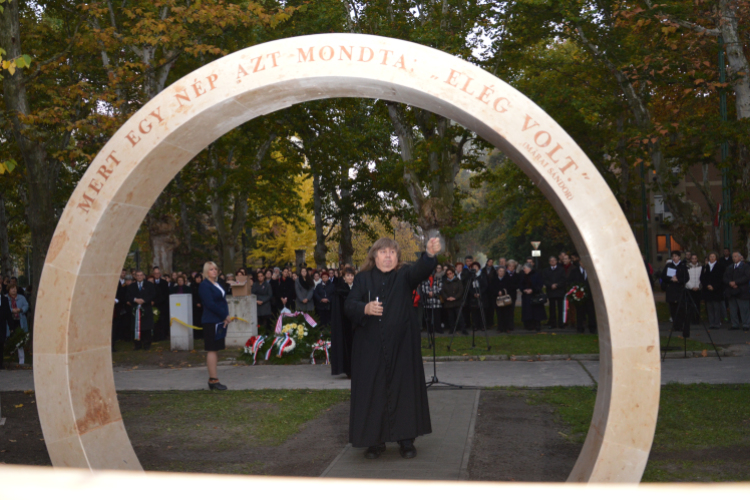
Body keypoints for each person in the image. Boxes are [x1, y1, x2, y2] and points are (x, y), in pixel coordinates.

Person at [344, 237, 441, 460]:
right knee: (373, 393)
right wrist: (365, 307)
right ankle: (374, 442)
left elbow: (422, 269)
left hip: (402, 347)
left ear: (397, 258)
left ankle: (406, 441)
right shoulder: (362, 279)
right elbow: (349, 305)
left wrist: (429, 254)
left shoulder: (404, 276)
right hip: (370, 348)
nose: (388, 256)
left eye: (392, 253)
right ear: (374, 256)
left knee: (404, 392)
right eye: (383, 252)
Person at [199, 261, 233, 390]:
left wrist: (226, 315)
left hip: (219, 320)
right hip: (210, 320)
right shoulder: (204, 285)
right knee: (212, 349)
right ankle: (213, 380)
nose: (214, 271)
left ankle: (213, 378)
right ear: (206, 271)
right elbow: (210, 304)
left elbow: (223, 301)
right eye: (211, 269)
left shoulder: (217, 284)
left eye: (215, 269)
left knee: (216, 349)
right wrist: (224, 315)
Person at [331, 267, 355, 378]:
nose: (350, 277)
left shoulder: (356, 289)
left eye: (352, 275)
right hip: (344, 323)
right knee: (346, 345)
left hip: (355, 322)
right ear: (344, 277)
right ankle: (348, 369)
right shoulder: (340, 290)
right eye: (348, 275)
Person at [126, 270, 156, 351]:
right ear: (135, 276)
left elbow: (152, 295)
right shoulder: (131, 286)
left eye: (141, 275)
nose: (139, 277)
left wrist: (144, 300)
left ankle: (147, 344)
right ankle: (137, 345)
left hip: (146, 308)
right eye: (137, 275)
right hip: (135, 309)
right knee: (135, 327)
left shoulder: (149, 285)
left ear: (144, 276)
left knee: (146, 328)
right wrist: (135, 300)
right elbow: (128, 296)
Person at [662, 250, 690, 336]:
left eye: (676, 256)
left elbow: (686, 278)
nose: (674, 258)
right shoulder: (668, 266)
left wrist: (678, 280)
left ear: (679, 257)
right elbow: (663, 276)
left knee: (680, 309)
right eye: (673, 256)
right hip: (671, 290)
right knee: (673, 309)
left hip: (679, 290)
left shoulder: (683, 266)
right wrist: (670, 279)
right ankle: (675, 325)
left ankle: (680, 325)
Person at [723, 251, 750, 333]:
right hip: (731, 291)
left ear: (740, 257)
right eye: (733, 257)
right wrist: (730, 283)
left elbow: (747, 277)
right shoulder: (729, 267)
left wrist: (736, 282)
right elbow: (724, 277)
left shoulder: (745, 266)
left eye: (735, 256)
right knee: (733, 309)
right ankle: (735, 324)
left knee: (744, 309)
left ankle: (746, 324)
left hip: (742, 291)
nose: (734, 258)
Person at [569, 263, 597, 334]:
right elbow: (570, 282)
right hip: (579, 296)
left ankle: (592, 327)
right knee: (580, 312)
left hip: (590, 296)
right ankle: (580, 328)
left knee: (591, 312)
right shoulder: (574, 271)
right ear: (580, 262)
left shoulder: (592, 271)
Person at [441, 266, 467, 335]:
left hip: (457, 302)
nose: (449, 275)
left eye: (450, 273)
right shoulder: (445, 283)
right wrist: (447, 298)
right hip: (448, 302)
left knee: (460, 316)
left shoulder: (458, 281)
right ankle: (452, 329)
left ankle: (463, 329)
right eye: (448, 274)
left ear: (453, 273)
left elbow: (461, 291)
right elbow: (443, 292)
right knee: (450, 317)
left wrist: (455, 297)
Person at [520, 262, 546, 332]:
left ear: (529, 268)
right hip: (526, 296)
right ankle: (529, 325)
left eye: (525, 268)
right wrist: (524, 290)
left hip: (535, 296)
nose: (524, 270)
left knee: (536, 311)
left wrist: (532, 290)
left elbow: (539, 285)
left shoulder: (536, 275)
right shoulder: (523, 276)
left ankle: (537, 325)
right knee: (528, 311)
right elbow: (521, 285)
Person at [701, 252, 724, 330]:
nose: (712, 258)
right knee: (709, 308)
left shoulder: (720, 267)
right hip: (707, 291)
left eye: (713, 256)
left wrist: (713, 286)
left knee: (716, 308)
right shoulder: (705, 267)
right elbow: (702, 278)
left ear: (716, 258)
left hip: (716, 291)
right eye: (710, 256)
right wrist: (707, 285)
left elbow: (720, 279)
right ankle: (711, 323)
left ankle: (717, 323)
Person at [541, 257, 566, 329]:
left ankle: (560, 323)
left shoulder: (561, 269)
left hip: (559, 291)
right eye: (551, 261)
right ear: (549, 262)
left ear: (556, 261)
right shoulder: (546, 270)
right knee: (552, 308)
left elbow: (563, 279)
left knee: (560, 308)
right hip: (551, 291)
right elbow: (545, 280)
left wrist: (557, 285)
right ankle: (553, 323)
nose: (552, 262)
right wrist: (550, 285)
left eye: (554, 260)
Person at [489, 266, 513, 333]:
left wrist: (502, 291)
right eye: (500, 271)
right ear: (497, 272)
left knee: (506, 313)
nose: (501, 272)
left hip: (505, 299)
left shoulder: (508, 279)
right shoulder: (494, 279)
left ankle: (507, 327)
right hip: (497, 299)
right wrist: (497, 292)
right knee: (499, 314)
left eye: (502, 271)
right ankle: (500, 328)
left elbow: (510, 288)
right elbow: (491, 288)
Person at [420, 269, 443, 336]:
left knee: (437, 317)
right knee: (429, 317)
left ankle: (438, 329)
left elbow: (441, 288)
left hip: (436, 302)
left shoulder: (438, 279)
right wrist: (428, 294)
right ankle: (430, 329)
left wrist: (434, 293)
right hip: (428, 302)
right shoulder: (424, 280)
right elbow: (423, 289)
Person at [151, 266, 170, 341]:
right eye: (155, 273)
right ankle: (155, 336)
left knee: (163, 321)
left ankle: (163, 336)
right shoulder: (150, 282)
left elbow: (165, 295)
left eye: (158, 273)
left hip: (162, 305)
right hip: (153, 305)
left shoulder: (164, 283)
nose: (156, 275)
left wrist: (157, 301)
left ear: (160, 274)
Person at [468, 262, 488, 332]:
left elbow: (485, 286)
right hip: (473, 297)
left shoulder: (482, 275)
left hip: (482, 296)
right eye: (473, 266)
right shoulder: (471, 276)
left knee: (481, 312)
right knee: (474, 313)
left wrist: (480, 293)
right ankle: (475, 326)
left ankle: (482, 326)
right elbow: (469, 287)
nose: (475, 268)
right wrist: (474, 293)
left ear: (479, 267)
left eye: (476, 266)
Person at [686, 254, 703, 323]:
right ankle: (692, 319)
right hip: (690, 288)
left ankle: (697, 319)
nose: (694, 260)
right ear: (691, 259)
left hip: (698, 288)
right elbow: (687, 279)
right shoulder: (687, 267)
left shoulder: (701, 267)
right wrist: (691, 287)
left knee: (698, 304)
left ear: (697, 259)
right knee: (690, 304)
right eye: (692, 258)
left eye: (695, 258)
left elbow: (701, 278)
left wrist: (699, 286)